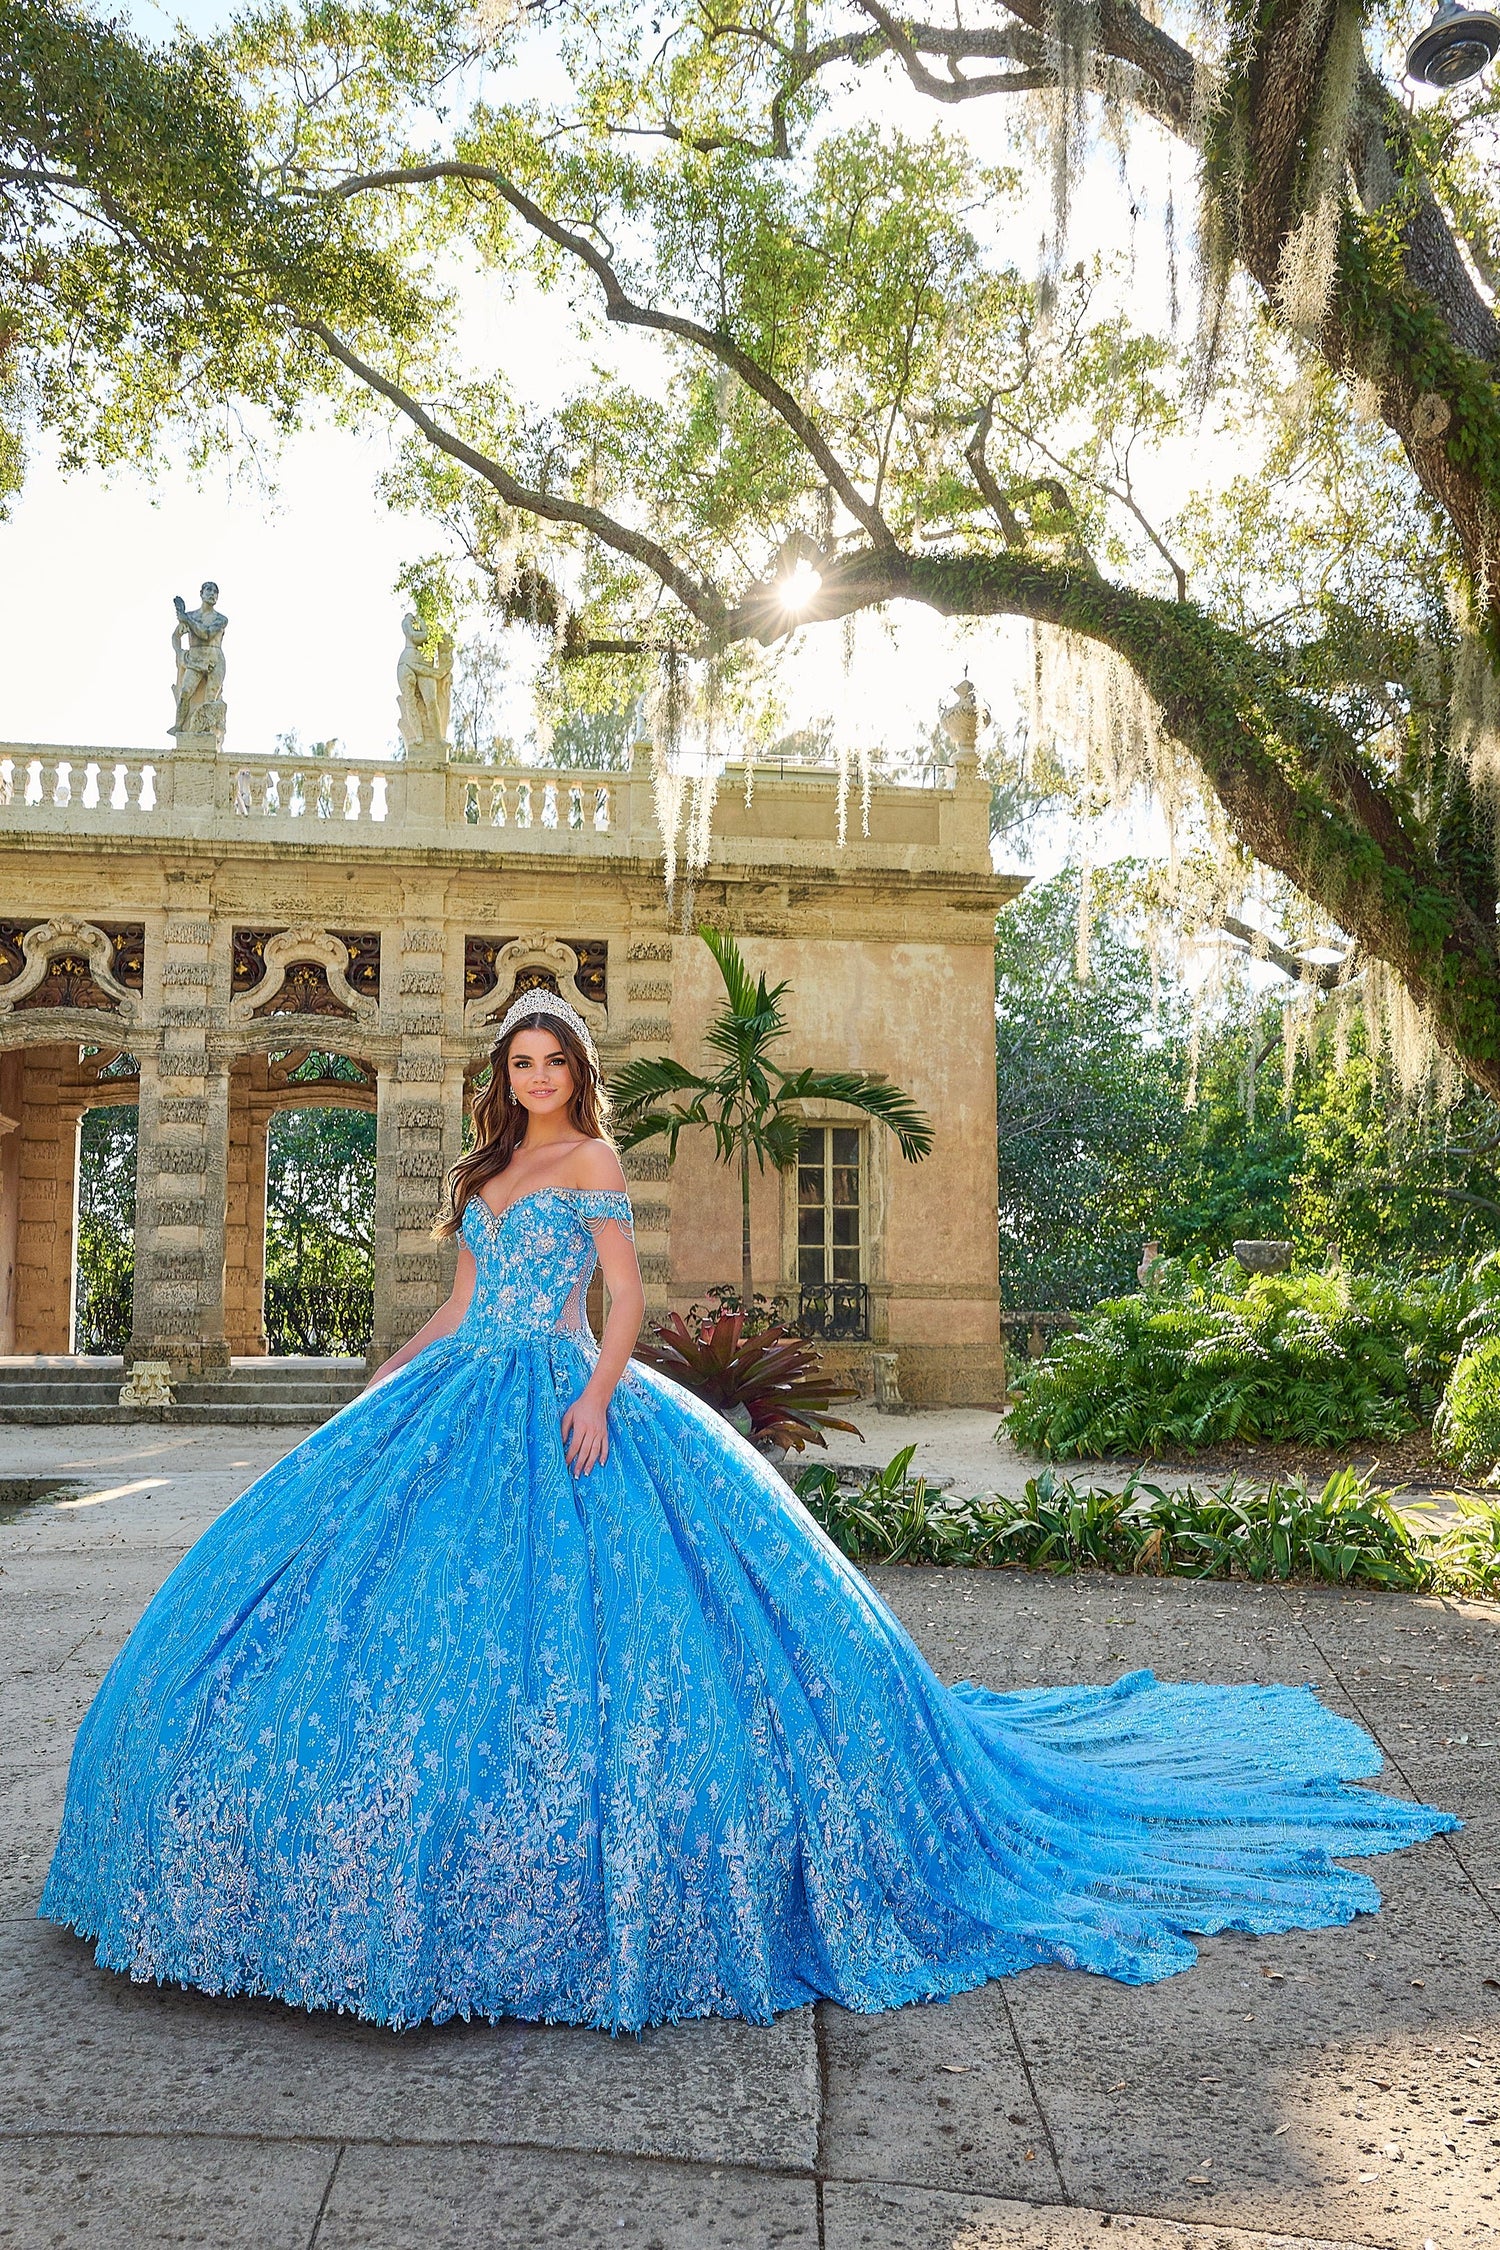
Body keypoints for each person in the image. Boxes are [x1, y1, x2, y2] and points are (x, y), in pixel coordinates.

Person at [41, 989, 1456, 2033]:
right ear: (504, 1074)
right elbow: (467, 1297)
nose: (535, 1077)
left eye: (551, 1060)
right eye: (519, 1061)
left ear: (576, 1071)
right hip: (461, 1385)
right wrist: (394, 1366)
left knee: (625, 1632)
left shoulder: (592, 1165)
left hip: (567, 1392)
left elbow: (628, 1301)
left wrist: (597, 1395)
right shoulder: (485, 1172)